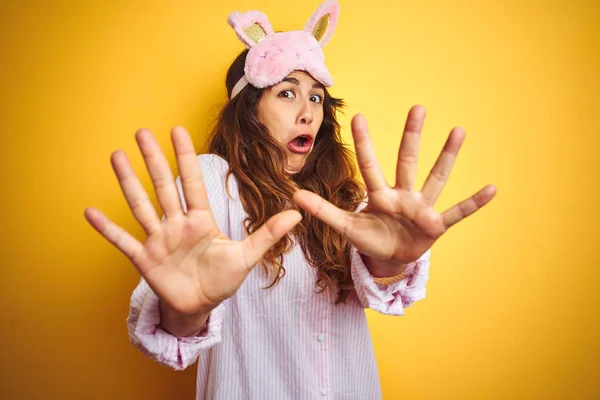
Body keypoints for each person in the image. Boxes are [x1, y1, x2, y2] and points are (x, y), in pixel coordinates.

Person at [84, 0, 496, 398]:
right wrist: (188, 310)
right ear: (248, 111)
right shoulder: (213, 179)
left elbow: (376, 271)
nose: (308, 113)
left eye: (316, 97)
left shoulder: (343, 198)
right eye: (287, 93)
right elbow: (179, 320)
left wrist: (395, 259)